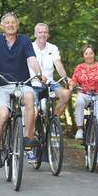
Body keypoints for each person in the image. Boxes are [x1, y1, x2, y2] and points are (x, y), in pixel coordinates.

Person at [0, 12, 45, 168]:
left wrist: (39, 74)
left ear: (17, 26)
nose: (11, 25)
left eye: (14, 22)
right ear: (2, 26)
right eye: (7, 22)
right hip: (1, 84)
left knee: (30, 96)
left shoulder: (24, 40)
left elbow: (32, 60)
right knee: (4, 114)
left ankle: (26, 139)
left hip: (21, 83)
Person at [27, 23, 71, 162]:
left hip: (49, 83)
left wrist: (65, 77)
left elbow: (58, 65)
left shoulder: (53, 48)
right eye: (40, 32)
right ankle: (29, 148)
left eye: (45, 32)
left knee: (66, 94)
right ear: (35, 34)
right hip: (32, 83)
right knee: (32, 114)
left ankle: (53, 125)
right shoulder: (29, 47)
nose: (43, 34)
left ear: (48, 34)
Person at [69, 44, 98, 164]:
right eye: (86, 53)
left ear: (94, 54)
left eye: (91, 53)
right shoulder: (79, 68)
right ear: (83, 56)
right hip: (85, 94)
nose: (89, 56)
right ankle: (79, 129)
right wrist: (71, 86)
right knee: (78, 101)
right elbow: (74, 80)